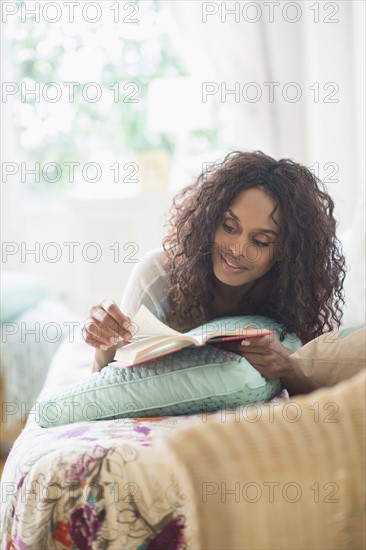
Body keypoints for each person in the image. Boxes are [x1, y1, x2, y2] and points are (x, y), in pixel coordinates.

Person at [84, 150, 346, 395]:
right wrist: (104, 343)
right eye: (230, 227)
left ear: (286, 253)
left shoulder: (297, 295)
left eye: (261, 241)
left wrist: (289, 368)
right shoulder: (157, 276)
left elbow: (327, 400)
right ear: (209, 220)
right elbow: (103, 385)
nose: (238, 249)